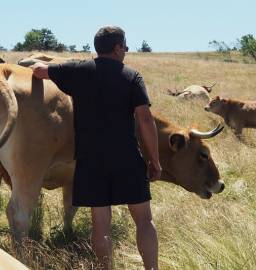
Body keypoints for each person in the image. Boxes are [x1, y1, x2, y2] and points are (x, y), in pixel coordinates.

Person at [32, 26, 161, 270]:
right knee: (144, 220)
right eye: (125, 46)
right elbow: (145, 119)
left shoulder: (77, 70)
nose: (126, 51)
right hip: (127, 158)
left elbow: (39, 71)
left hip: (90, 161)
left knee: (100, 225)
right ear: (117, 48)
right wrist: (154, 160)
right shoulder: (132, 76)